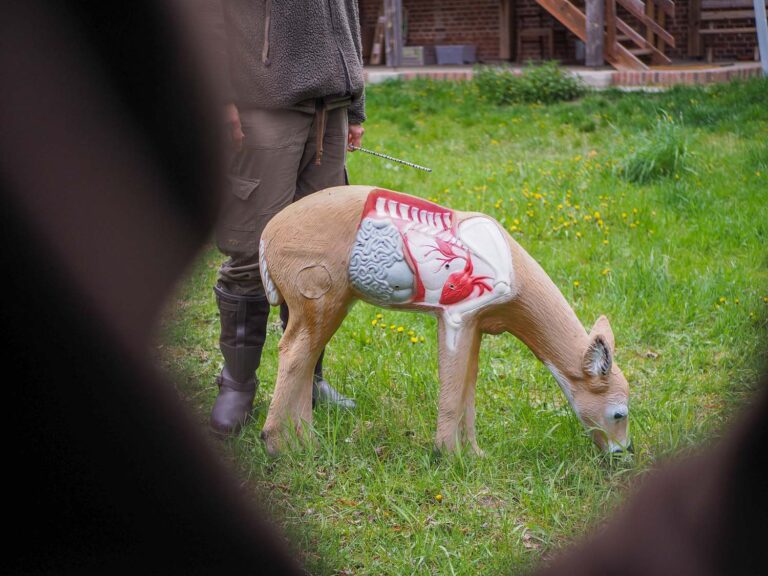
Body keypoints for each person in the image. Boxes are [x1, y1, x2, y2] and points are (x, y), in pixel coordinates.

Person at [209, 0, 366, 435]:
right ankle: (237, 384)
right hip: (262, 103)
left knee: (319, 257)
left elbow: (349, 15)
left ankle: (306, 380)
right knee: (249, 249)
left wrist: (355, 106)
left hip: (332, 107)